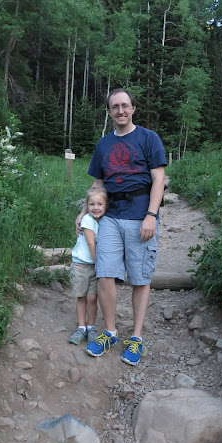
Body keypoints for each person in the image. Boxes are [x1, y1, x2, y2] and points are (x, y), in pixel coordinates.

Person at [76, 87, 167, 366]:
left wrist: (151, 215)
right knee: (105, 274)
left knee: (140, 278)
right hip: (111, 218)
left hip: (140, 216)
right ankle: (110, 332)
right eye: (115, 107)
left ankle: (136, 338)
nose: (120, 111)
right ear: (109, 112)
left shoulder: (149, 138)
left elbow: (159, 180)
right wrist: (83, 212)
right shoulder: (104, 144)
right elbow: (98, 184)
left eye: (125, 105)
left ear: (133, 108)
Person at [68, 187, 108, 345]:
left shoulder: (103, 221)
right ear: (87, 205)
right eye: (92, 204)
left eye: (100, 204)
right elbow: (91, 243)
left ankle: (91, 327)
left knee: (92, 298)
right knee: (81, 297)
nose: (96, 207)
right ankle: (81, 327)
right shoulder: (87, 220)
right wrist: (99, 264)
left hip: (94, 265)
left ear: (106, 205)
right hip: (82, 265)